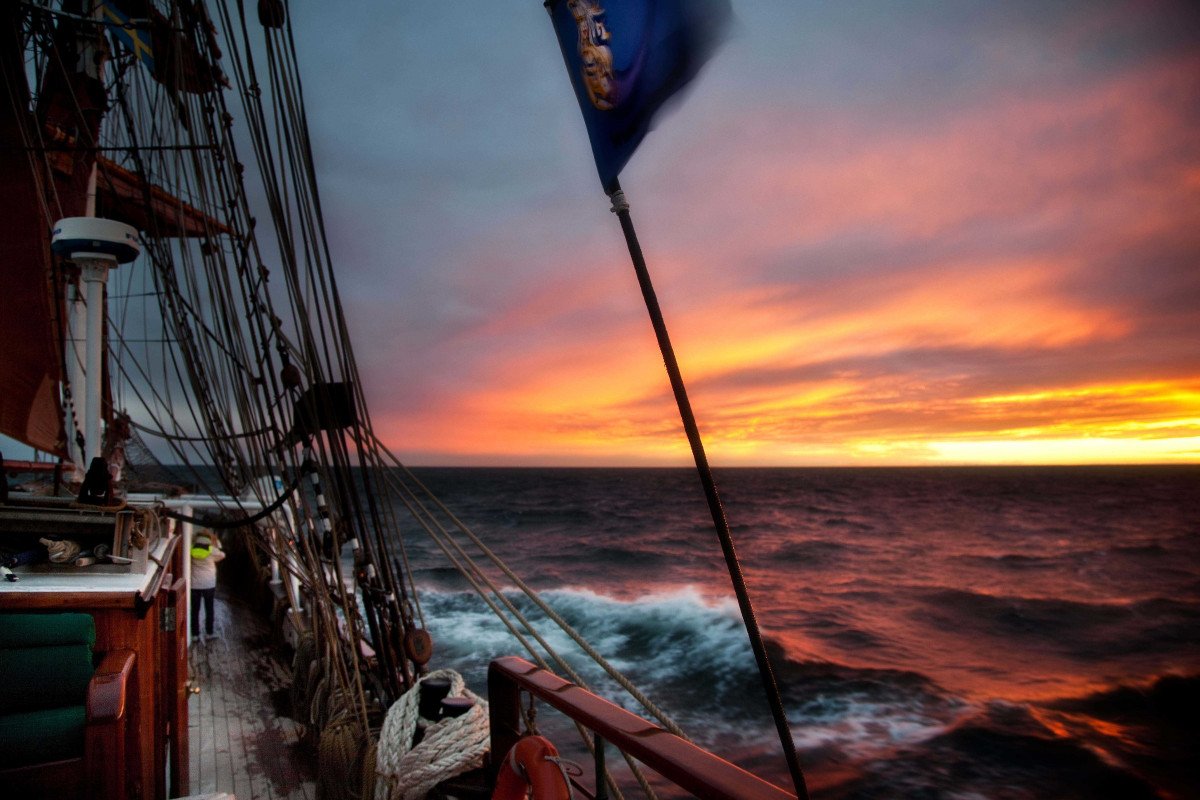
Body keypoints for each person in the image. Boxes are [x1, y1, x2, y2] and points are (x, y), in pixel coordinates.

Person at [190, 529, 225, 640]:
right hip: (208, 584)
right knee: (209, 609)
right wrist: (215, 543)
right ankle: (209, 633)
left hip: (195, 585)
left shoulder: (191, 548)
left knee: (195, 610)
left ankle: (195, 635)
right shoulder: (211, 550)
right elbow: (222, 555)